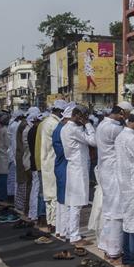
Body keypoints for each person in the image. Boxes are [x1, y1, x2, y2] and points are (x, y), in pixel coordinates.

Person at [114, 108, 134, 267]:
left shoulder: (121, 135)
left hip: (124, 183)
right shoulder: (132, 138)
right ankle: (133, 260)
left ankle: (127, 257)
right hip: (133, 185)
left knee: (128, 222)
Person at [61, 105, 97, 246]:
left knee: (72, 204)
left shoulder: (66, 128)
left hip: (74, 166)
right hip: (78, 168)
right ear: (77, 116)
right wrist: (88, 124)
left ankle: (71, 232)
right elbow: (93, 141)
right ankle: (74, 236)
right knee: (76, 203)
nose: (85, 119)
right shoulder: (73, 129)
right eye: (83, 116)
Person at [95, 104, 126, 260]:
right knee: (116, 212)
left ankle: (107, 246)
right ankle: (114, 250)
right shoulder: (115, 129)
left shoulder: (102, 124)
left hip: (106, 170)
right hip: (113, 171)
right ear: (121, 113)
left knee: (109, 211)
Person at [37, 100, 65, 235]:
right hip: (53, 162)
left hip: (46, 161)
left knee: (48, 195)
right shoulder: (54, 124)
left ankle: (50, 222)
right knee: (53, 195)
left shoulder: (45, 122)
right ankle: (54, 223)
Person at [52, 105, 71, 239]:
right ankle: (65, 231)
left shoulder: (59, 128)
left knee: (61, 200)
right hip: (64, 166)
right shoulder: (62, 130)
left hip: (61, 166)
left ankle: (60, 229)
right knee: (65, 200)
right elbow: (66, 152)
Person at [0, 111, 12, 207]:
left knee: (1, 177)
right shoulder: (5, 131)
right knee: (4, 178)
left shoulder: (0, 130)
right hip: (4, 156)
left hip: (1, 155)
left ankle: (1, 196)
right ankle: (2, 197)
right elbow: (8, 144)